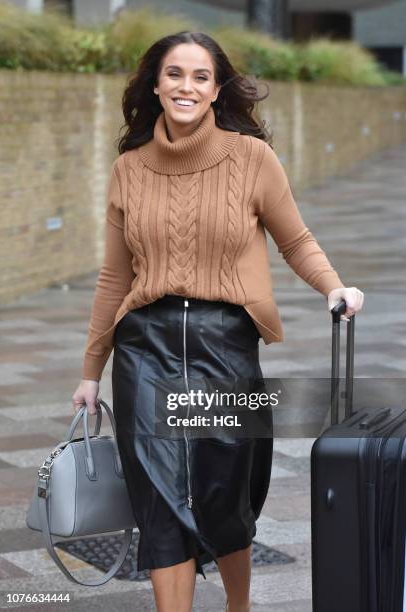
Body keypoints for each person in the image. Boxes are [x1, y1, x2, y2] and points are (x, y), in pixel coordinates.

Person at [72, 30, 364, 612]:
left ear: (216, 89)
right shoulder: (129, 169)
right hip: (143, 349)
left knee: (224, 493)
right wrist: (90, 372)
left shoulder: (251, 158)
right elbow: (114, 278)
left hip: (225, 347)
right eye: (175, 74)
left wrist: (334, 286)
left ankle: (238, 606)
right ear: (155, 86)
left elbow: (295, 240)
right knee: (157, 499)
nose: (186, 86)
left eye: (200, 76)